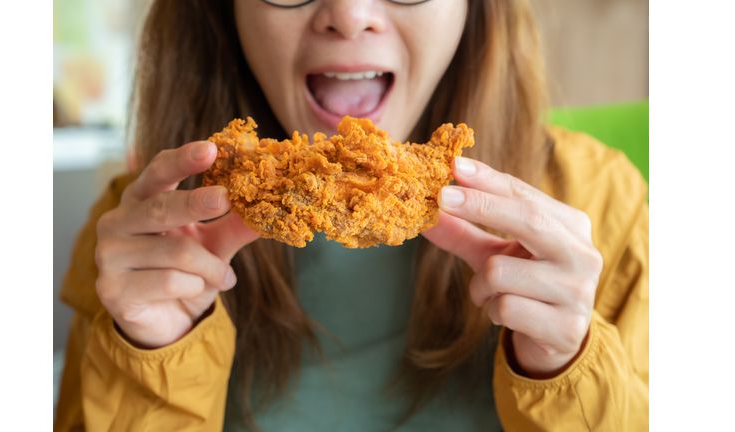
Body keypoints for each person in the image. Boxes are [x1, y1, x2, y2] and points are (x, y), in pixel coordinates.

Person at [54, 0, 649, 430]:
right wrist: (153, 356)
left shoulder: (603, 206)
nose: (349, 12)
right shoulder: (136, 233)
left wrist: (568, 369)